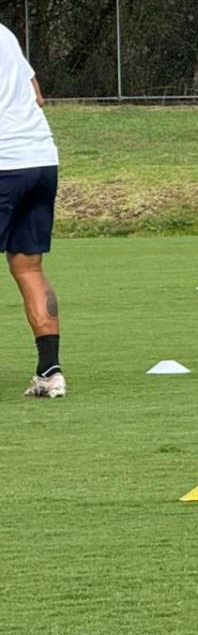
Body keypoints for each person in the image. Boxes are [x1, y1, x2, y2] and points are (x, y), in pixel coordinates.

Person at [0, 23, 65, 398]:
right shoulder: (5, 34)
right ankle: (50, 373)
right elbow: (36, 96)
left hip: (5, 164)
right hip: (41, 158)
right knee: (28, 266)